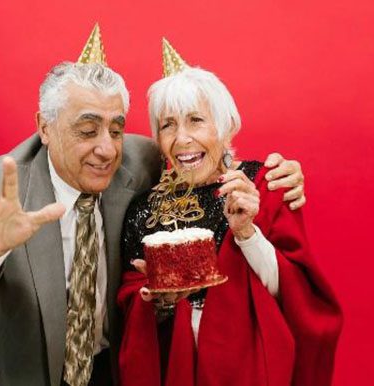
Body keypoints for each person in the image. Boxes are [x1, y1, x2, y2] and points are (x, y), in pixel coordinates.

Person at [0, 27, 307, 386]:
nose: (107, 149)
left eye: (117, 129)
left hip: (109, 370)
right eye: (87, 131)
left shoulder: (141, 161)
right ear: (45, 127)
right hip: (11, 375)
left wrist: (281, 175)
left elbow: (201, 156)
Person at [118, 40, 342, 386]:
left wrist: (247, 234)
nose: (182, 139)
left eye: (196, 121)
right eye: (168, 125)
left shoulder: (264, 186)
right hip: (174, 371)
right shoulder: (143, 209)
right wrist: (157, 302)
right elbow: (130, 306)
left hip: (250, 369)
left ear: (225, 126)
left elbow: (296, 297)